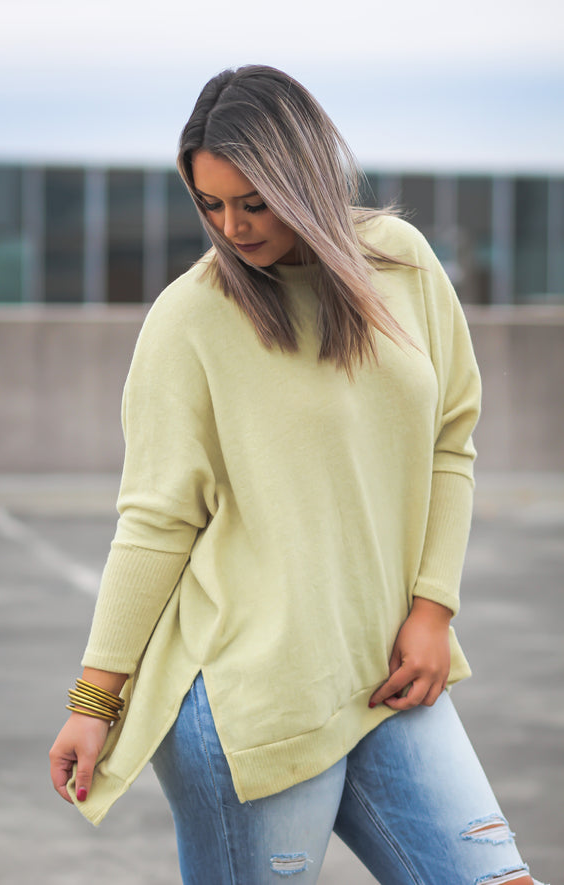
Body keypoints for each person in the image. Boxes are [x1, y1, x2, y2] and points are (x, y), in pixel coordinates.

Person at [49, 65, 546, 885]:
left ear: (304, 175)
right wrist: (93, 702)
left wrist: (433, 607)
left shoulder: (402, 264)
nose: (232, 227)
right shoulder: (190, 318)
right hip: (253, 698)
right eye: (210, 204)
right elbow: (155, 522)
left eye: (253, 200)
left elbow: (450, 441)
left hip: (390, 675)